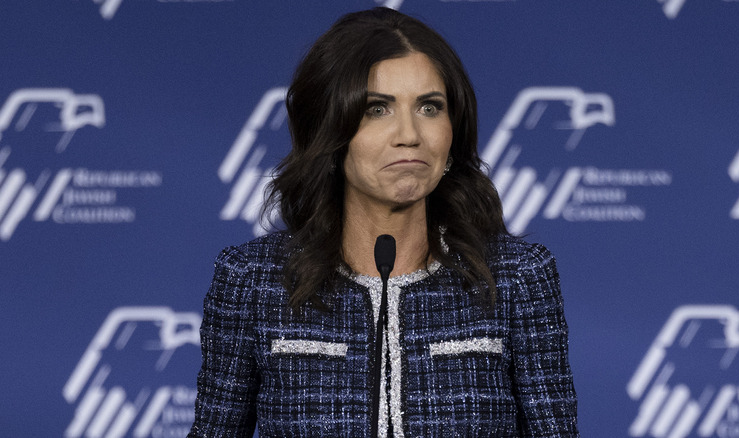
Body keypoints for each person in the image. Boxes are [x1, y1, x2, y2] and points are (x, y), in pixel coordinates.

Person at [189, 7, 578, 437]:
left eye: (430, 107)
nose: (409, 134)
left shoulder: (516, 278)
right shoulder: (253, 281)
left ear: (454, 131)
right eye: (378, 109)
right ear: (330, 131)